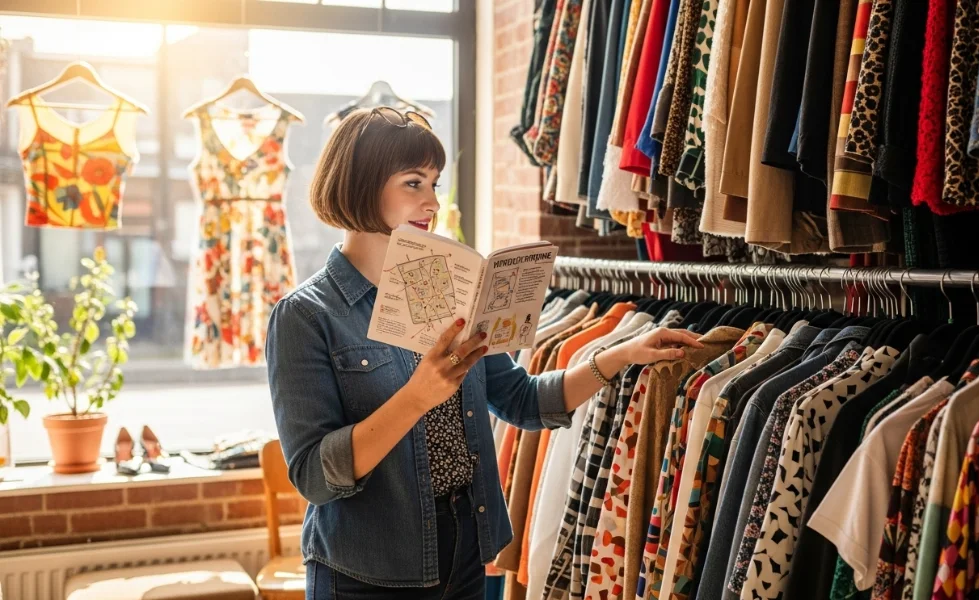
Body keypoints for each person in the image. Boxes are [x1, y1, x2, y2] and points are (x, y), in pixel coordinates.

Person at [265, 107, 704, 599]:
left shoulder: (448, 290)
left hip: (469, 551)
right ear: (361, 184)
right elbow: (313, 477)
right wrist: (417, 396)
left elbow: (523, 400)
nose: (431, 201)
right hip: (369, 573)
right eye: (414, 183)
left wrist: (621, 355)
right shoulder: (305, 316)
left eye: (435, 182)